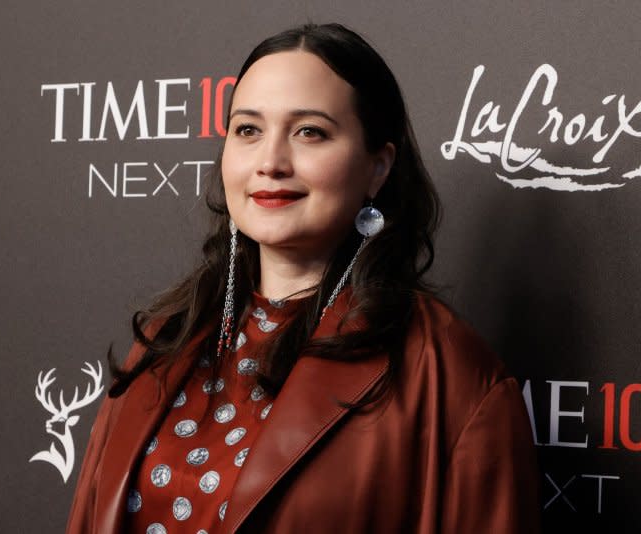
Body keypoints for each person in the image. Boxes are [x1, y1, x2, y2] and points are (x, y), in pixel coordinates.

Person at [66, 22, 540, 534]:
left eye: (309, 131)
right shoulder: (162, 343)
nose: (270, 162)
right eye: (248, 130)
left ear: (377, 167)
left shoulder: (450, 376)